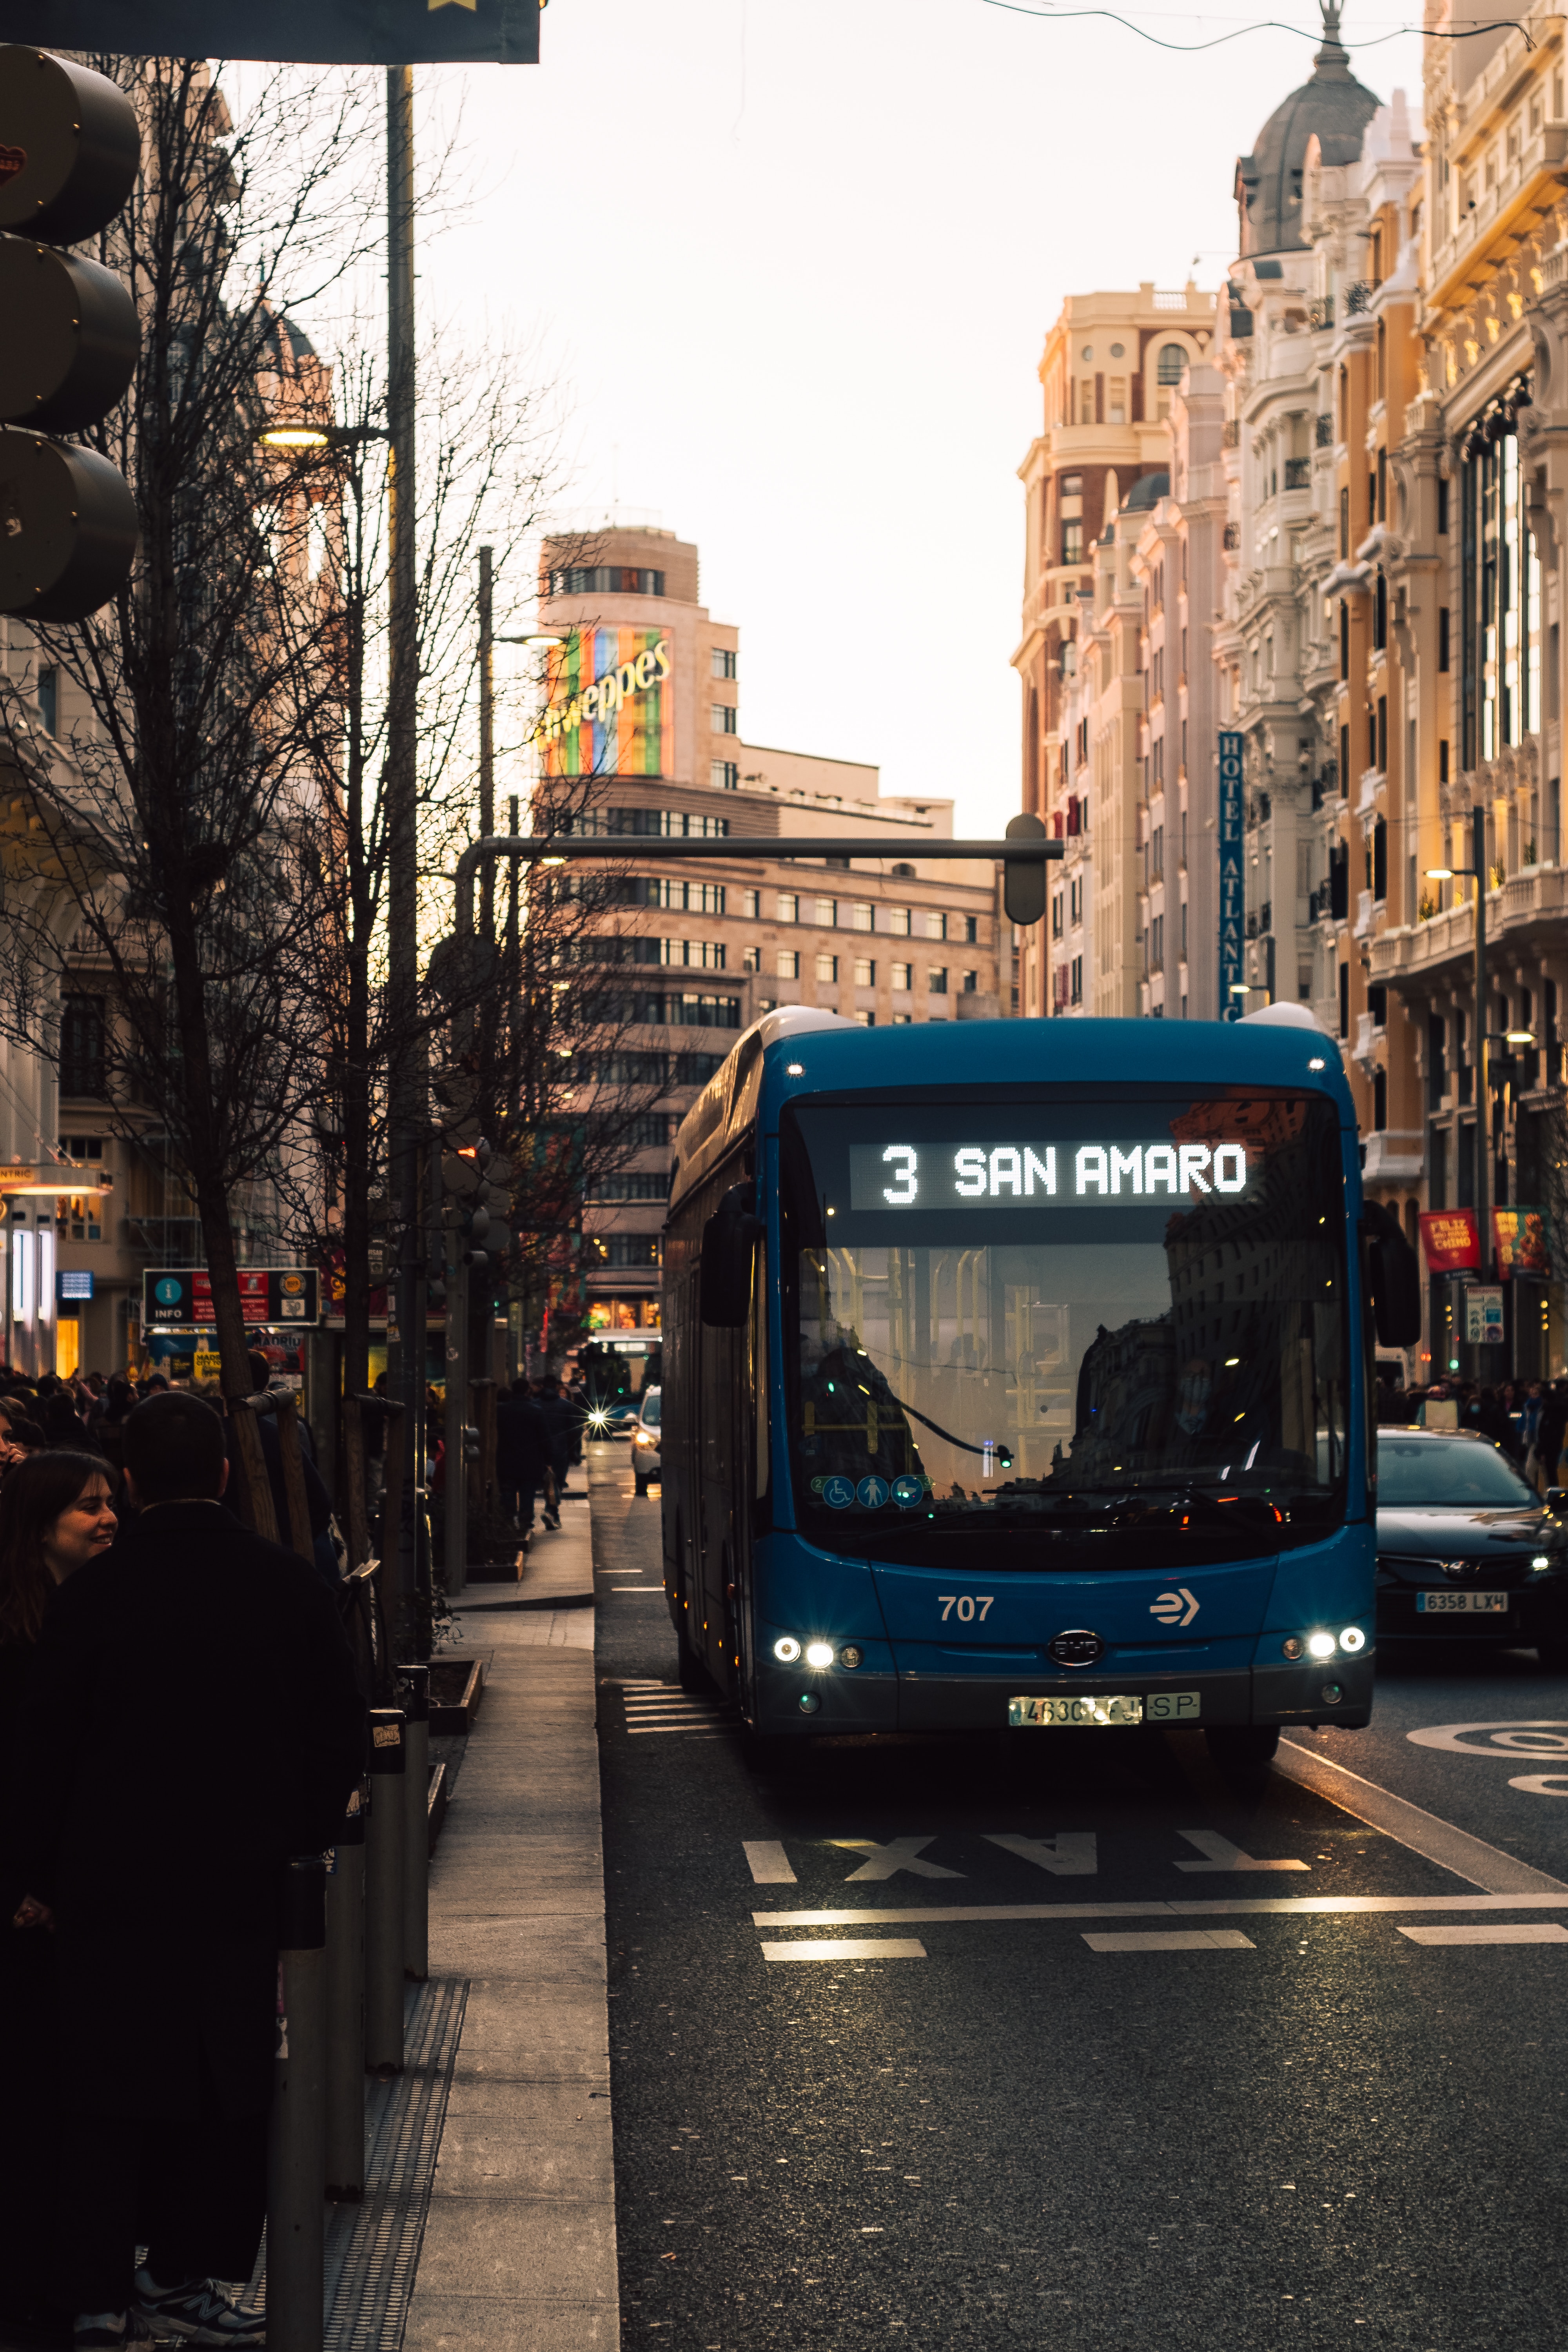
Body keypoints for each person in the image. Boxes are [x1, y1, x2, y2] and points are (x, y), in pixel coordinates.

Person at [5, 1393, 364, 2350]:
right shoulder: (286, 1585)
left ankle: (92, 2289)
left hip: (107, 1883)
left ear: (129, 1480)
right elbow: (339, 1733)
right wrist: (302, 1834)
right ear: (224, 1474)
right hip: (240, 1881)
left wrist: (33, 1870)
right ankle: (182, 2268)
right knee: (226, 2081)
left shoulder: (95, 1597)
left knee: (101, 2089)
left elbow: (45, 1750)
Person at [0, 1454, 119, 2335]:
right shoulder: (21, 1634)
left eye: (112, 1501)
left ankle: (64, 2284)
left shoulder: (101, 1614)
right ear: (42, 1524)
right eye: (89, 1507)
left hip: (77, 1900)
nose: (109, 1517)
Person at [495, 1380, 553, 1536]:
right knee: (528, 1494)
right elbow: (545, 1438)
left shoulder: (501, 1410)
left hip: (507, 1460)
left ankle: (508, 1522)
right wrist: (549, 1459)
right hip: (531, 1461)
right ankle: (525, 1523)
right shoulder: (536, 1411)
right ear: (528, 1391)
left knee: (508, 1493)